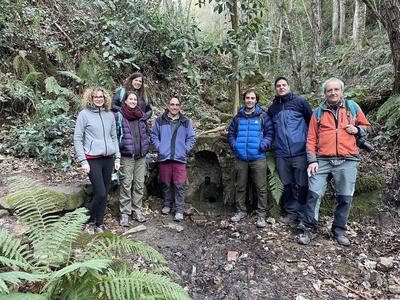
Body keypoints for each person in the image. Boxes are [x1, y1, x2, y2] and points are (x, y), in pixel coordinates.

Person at [298, 77, 371, 246]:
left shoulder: (352, 108)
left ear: (341, 91)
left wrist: (358, 129)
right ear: (324, 93)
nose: (333, 93)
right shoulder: (318, 112)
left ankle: (339, 230)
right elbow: (310, 139)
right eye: (329, 90)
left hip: (348, 159)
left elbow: (367, 126)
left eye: (336, 89)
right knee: (314, 194)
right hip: (322, 160)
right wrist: (312, 160)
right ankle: (310, 229)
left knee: (345, 197)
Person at [74, 86, 120, 234]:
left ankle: (99, 223)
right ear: (91, 99)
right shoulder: (84, 115)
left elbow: (114, 137)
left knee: (104, 193)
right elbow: (77, 138)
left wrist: (117, 157)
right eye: (96, 97)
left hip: (108, 159)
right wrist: (83, 161)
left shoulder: (109, 115)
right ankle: (88, 221)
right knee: (100, 192)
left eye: (101, 97)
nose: (99, 99)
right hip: (92, 159)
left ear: (105, 98)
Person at [267, 77, 313, 225]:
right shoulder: (272, 108)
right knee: (286, 185)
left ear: (289, 86)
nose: (281, 87)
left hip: (300, 151)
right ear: (275, 89)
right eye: (278, 86)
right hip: (281, 153)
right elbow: (270, 130)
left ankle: (302, 215)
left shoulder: (300, 102)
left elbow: (312, 123)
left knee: (302, 184)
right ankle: (291, 213)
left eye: (284, 85)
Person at [228, 88, 274, 228]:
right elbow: (231, 133)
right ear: (244, 99)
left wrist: (263, 145)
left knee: (261, 187)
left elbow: (269, 133)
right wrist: (235, 146)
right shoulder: (238, 117)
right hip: (241, 157)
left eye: (252, 98)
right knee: (240, 186)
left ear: (256, 100)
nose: (250, 100)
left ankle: (261, 215)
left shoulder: (262, 116)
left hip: (258, 157)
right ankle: (240, 211)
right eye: (247, 98)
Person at [150, 96, 196, 222]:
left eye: (177, 104)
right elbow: (154, 136)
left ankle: (179, 209)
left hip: (179, 158)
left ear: (179, 106)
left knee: (180, 184)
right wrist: (160, 147)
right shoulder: (160, 120)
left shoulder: (186, 121)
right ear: (168, 105)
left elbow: (191, 138)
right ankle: (167, 204)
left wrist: (185, 149)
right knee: (165, 183)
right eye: (172, 104)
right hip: (164, 157)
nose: (174, 107)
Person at [115, 91, 150, 227]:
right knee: (126, 184)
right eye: (130, 99)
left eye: (135, 99)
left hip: (141, 156)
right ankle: (125, 213)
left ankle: (137, 210)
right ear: (125, 101)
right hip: (126, 156)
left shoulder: (141, 116)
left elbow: (146, 133)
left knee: (139, 184)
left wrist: (146, 145)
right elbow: (115, 135)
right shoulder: (119, 116)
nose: (133, 101)